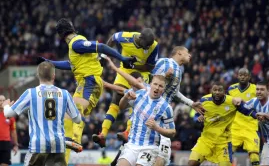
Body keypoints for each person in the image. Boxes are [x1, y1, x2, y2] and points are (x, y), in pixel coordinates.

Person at [38, 18, 136, 163]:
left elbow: (101, 47)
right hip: (88, 83)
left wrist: (122, 58)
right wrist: (50, 62)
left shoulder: (76, 43)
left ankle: (75, 140)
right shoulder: (75, 47)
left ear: (60, 34)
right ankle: (64, 157)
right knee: (66, 118)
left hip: (89, 81)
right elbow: (70, 65)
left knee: (74, 110)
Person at [3, 61, 81, 166]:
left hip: (38, 146)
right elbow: (77, 119)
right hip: (58, 145)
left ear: (38, 75)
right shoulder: (65, 94)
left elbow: (8, 113)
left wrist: (6, 105)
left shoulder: (31, 93)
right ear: (53, 75)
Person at [93, 28, 159, 147]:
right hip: (124, 71)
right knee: (115, 103)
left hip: (141, 73)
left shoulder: (154, 46)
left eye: (149, 46)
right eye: (146, 45)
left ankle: (127, 132)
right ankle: (103, 134)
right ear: (140, 39)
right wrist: (103, 56)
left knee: (136, 102)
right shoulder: (126, 37)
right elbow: (112, 38)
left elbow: (150, 67)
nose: (147, 48)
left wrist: (134, 65)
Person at [151, 46, 203, 166]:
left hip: (165, 114)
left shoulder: (179, 69)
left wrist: (191, 103)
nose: (190, 55)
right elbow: (151, 83)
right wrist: (164, 76)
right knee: (156, 153)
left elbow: (174, 93)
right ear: (179, 53)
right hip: (154, 112)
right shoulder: (164, 62)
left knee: (161, 154)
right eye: (187, 52)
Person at [188, 82, 257, 166]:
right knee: (191, 163)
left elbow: (248, 111)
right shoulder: (204, 100)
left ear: (224, 91)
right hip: (206, 140)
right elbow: (196, 116)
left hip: (223, 142)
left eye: (220, 90)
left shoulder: (232, 102)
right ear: (211, 91)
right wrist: (198, 118)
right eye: (215, 90)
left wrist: (258, 116)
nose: (217, 92)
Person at [116, 75, 176, 166]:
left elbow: (172, 132)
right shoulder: (139, 94)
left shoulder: (166, 107)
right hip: (132, 145)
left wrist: (157, 128)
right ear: (150, 84)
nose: (157, 87)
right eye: (155, 84)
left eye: (160, 86)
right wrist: (125, 98)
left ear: (163, 89)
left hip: (150, 148)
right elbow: (121, 106)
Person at [227, 68, 260, 166]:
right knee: (227, 155)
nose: (242, 77)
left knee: (254, 156)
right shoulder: (231, 89)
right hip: (235, 127)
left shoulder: (255, 89)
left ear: (249, 77)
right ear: (237, 76)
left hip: (251, 127)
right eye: (240, 75)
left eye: (245, 75)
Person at [0, 95, 18, 166]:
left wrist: (16, 145)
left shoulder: (10, 115)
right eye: (0, 100)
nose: (1, 102)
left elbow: (13, 131)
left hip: (6, 144)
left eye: (3, 100)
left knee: (5, 164)